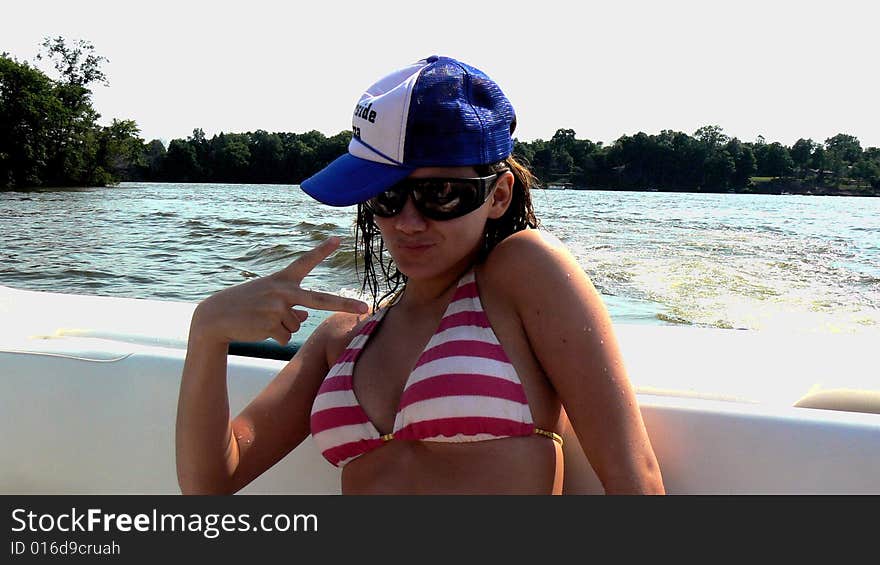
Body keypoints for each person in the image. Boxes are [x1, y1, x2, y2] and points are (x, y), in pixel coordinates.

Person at [175, 55, 664, 495]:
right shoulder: (343, 338)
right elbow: (212, 484)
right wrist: (208, 332)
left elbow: (633, 479)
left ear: (497, 195)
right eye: (386, 196)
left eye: (441, 195)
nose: (407, 222)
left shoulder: (524, 273)